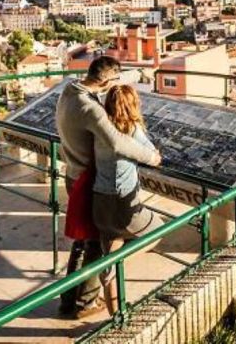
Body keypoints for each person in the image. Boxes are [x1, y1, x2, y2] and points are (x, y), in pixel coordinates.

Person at [56, 57, 161, 319]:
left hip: (73, 172)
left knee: (82, 241)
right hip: (86, 180)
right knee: (92, 245)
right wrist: (152, 158)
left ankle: (68, 298)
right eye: (115, 80)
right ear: (105, 80)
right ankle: (85, 303)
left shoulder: (69, 90)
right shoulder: (91, 108)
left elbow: (112, 85)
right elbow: (117, 142)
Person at [93, 84, 165, 315]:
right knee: (157, 231)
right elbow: (153, 155)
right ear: (133, 105)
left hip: (99, 200)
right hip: (123, 201)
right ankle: (117, 263)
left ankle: (116, 317)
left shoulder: (99, 129)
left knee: (109, 255)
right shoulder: (132, 130)